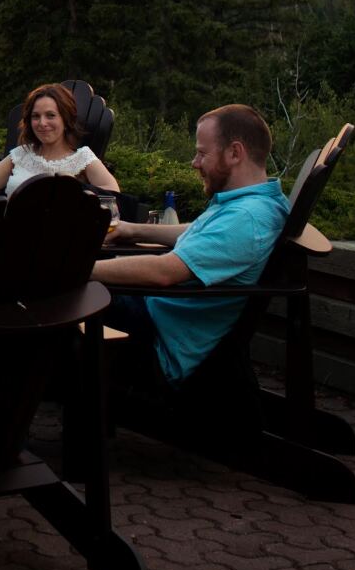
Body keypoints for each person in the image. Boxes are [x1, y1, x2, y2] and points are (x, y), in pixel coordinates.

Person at [93, 104, 289, 389]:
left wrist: (78, 268)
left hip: (158, 337)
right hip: (155, 312)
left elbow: (164, 272)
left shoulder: (246, 219)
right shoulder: (249, 203)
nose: (195, 162)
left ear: (235, 153)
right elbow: (198, 233)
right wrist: (131, 229)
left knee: (51, 302)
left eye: (201, 153)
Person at [0, 82, 123, 198]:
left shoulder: (83, 159)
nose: (42, 123)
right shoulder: (21, 155)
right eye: (36, 116)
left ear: (66, 119)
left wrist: (79, 192)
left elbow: (113, 197)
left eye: (50, 115)